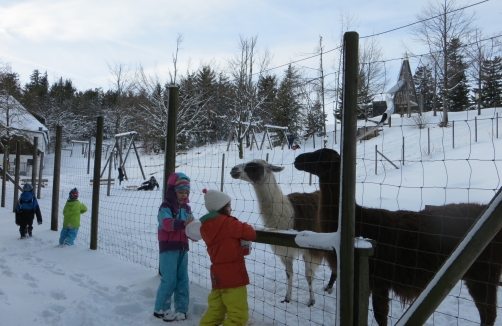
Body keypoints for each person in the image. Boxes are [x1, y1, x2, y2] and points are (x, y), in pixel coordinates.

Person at [199, 189, 256, 326]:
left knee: (216, 311)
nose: (231, 208)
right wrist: (242, 224)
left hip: (217, 277)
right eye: (229, 205)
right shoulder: (229, 223)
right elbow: (250, 233)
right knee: (238, 315)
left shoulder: (205, 227)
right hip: (234, 276)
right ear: (222, 208)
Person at [153, 172, 194, 322]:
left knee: (182, 279)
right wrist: (182, 224)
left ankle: (181, 309)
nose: (184, 195)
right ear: (173, 191)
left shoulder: (187, 208)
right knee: (169, 279)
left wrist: (193, 234)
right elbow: (166, 223)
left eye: (186, 192)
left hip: (183, 248)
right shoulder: (166, 206)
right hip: (169, 248)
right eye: (180, 192)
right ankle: (161, 309)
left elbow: (191, 226)